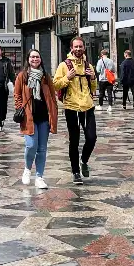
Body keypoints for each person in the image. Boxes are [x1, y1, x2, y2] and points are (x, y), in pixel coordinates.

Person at [53, 37, 98, 184]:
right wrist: (67, 77)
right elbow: (56, 85)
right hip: (71, 107)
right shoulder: (64, 65)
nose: (78, 49)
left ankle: (84, 160)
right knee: (74, 140)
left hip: (87, 106)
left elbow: (93, 88)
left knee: (92, 138)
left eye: (80, 47)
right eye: (76, 47)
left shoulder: (88, 65)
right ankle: (75, 172)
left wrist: (92, 78)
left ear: (84, 48)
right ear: (71, 48)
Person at [14, 49, 58, 189]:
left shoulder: (45, 76)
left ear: (40, 59)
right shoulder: (22, 76)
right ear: (28, 59)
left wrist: (54, 112)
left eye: (37, 57)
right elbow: (17, 95)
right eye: (32, 57)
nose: (35, 59)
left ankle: (39, 176)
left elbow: (52, 95)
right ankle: (27, 169)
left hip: (44, 117)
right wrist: (20, 108)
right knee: (31, 145)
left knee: (42, 148)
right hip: (29, 117)